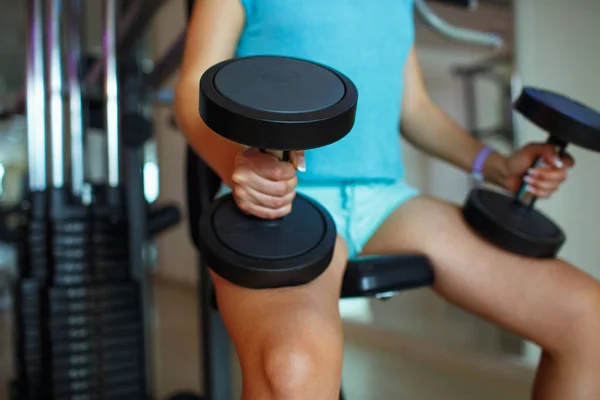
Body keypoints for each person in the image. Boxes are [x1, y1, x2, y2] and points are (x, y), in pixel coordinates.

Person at [175, 0, 600, 399]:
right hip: (279, 199)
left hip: (386, 201)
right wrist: (237, 163)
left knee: (588, 320)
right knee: (292, 369)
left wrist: (495, 165)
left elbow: (413, 108)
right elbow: (193, 89)